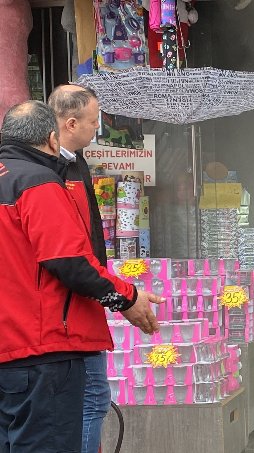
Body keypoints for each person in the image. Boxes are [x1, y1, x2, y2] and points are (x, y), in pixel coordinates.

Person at [0, 100, 162, 452]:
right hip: (41, 350)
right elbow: (70, 261)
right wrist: (127, 298)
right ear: (52, 139)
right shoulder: (37, 182)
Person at [47, 84, 110, 453]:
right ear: (70, 123)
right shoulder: (48, 172)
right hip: (67, 307)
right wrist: (120, 296)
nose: (97, 128)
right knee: (92, 398)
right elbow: (67, 255)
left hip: (83, 299)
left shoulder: (76, 162)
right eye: (92, 121)